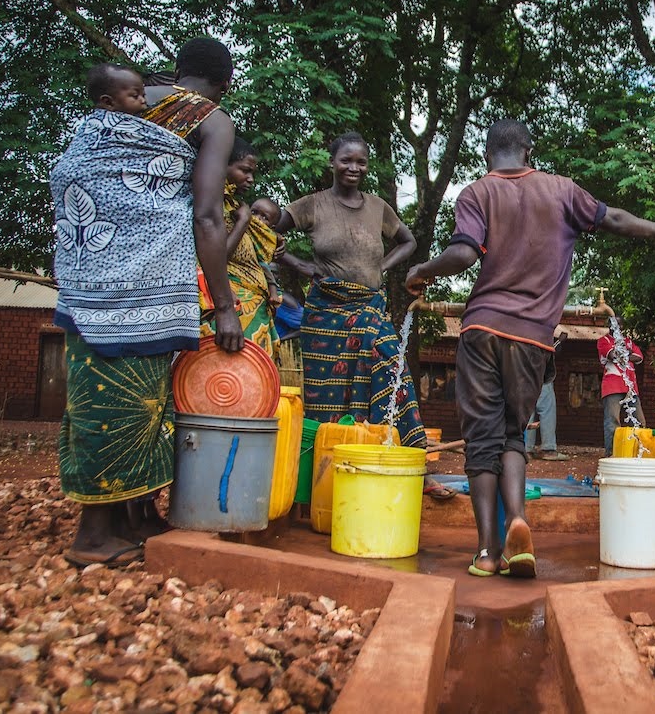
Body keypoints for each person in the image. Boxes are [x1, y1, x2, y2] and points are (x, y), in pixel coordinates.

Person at [405, 119, 655, 578]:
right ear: (528, 151)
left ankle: (486, 551)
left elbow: (462, 254)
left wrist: (422, 268)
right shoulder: (561, 190)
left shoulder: (476, 193)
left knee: (482, 439)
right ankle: (519, 517)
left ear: (487, 155)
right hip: (533, 338)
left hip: (481, 330)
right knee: (514, 436)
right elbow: (613, 218)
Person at [54, 38, 243, 567]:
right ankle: (93, 537)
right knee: (136, 403)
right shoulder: (212, 120)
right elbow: (206, 216)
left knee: (109, 399)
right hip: (147, 277)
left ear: (175, 72)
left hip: (87, 269)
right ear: (224, 84)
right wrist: (225, 305)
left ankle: (132, 519)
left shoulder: (128, 99)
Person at [275, 131, 426, 444]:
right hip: (325, 315)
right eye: (346, 160)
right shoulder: (312, 205)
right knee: (325, 395)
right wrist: (298, 264)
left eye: (361, 162)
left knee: (390, 363)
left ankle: (404, 451)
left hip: (369, 306)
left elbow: (408, 241)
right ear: (332, 162)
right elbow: (266, 231)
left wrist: (380, 266)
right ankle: (324, 465)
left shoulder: (378, 208)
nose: (353, 167)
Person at [198, 137, 282, 357]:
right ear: (222, 165)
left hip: (251, 310)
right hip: (231, 311)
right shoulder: (210, 205)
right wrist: (243, 223)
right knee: (229, 382)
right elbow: (215, 257)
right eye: (245, 170)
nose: (250, 179)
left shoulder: (233, 205)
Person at [598, 324, 647, 454]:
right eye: (615, 324)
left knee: (639, 421)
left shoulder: (628, 341)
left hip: (631, 388)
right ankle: (611, 454)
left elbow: (639, 357)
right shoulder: (604, 340)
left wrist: (623, 354)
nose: (617, 327)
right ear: (609, 326)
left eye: (620, 325)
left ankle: (637, 452)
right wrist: (627, 353)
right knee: (612, 421)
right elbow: (612, 355)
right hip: (612, 386)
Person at [526, 332, 568, 461]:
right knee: (547, 411)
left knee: (527, 412)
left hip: (524, 378)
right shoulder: (542, 332)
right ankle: (548, 449)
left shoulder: (523, 331)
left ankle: (526, 449)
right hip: (541, 378)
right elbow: (551, 351)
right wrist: (560, 340)